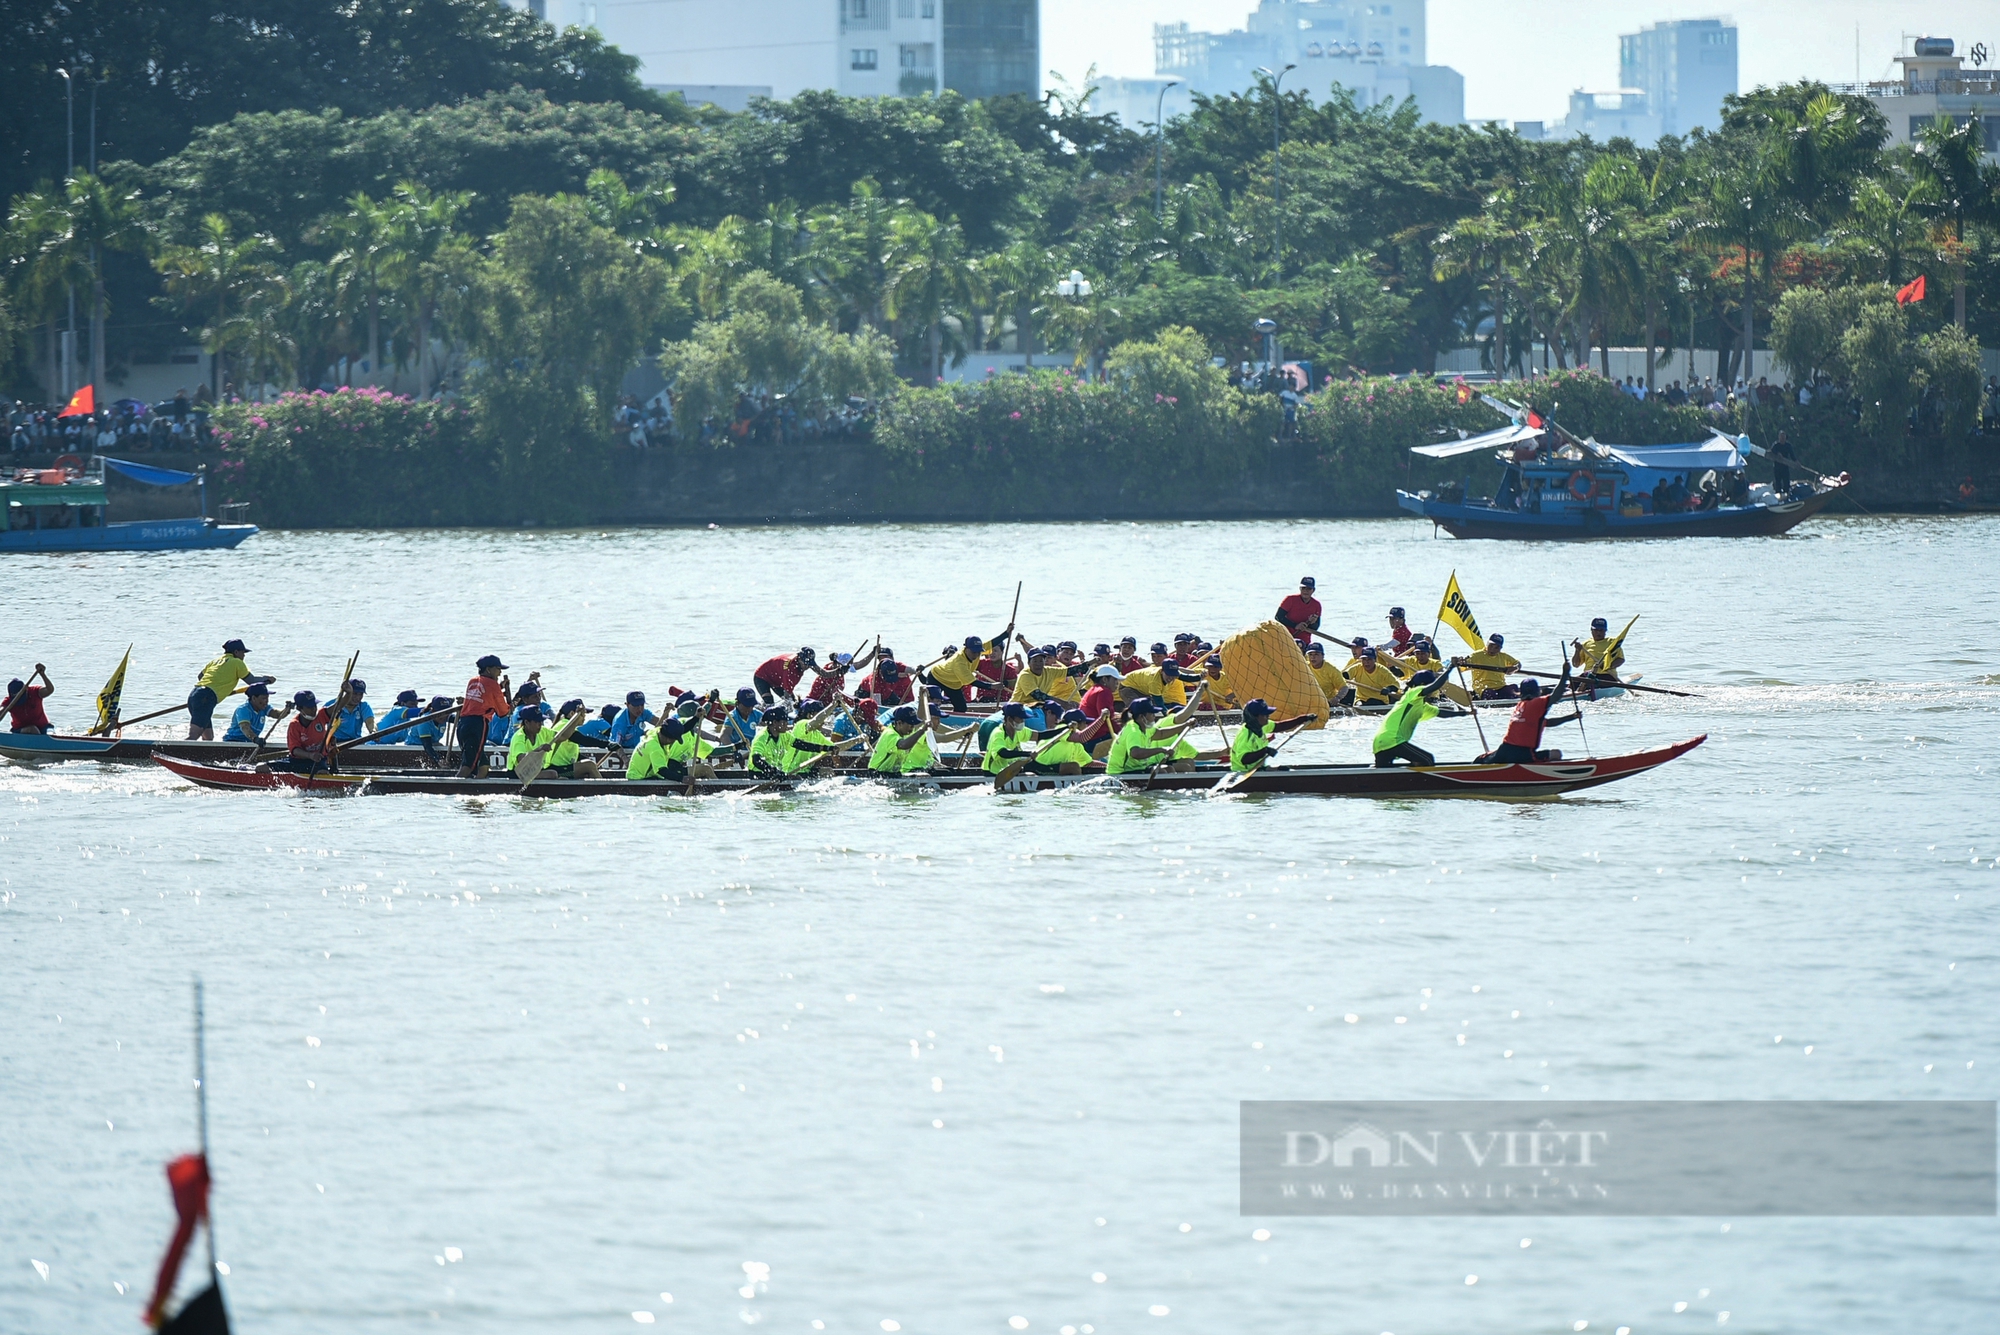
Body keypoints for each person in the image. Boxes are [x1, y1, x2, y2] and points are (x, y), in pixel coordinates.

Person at [1481, 669, 1581, 763]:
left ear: (1521, 693)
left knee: (1481, 758)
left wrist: (1572, 717)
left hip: (1504, 750)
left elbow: (1546, 723)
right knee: (1556, 754)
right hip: (1523, 754)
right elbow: (1556, 696)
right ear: (1538, 691)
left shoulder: (1520, 706)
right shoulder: (1537, 703)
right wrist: (1565, 673)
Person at [1104, 689, 1208, 775]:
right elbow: (1135, 753)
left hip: (1135, 768)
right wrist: (1161, 749)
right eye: (1151, 713)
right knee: (1161, 771)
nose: (1154, 716)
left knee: (1169, 769)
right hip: (1121, 773)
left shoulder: (1144, 727)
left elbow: (1161, 733)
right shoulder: (1133, 730)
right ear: (1142, 717)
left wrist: (1185, 725)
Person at [187, 638, 275, 741]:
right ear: (236, 652)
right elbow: (252, 681)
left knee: (208, 737)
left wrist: (221, 686)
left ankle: (201, 756)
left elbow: (200, 677)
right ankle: (175, 753)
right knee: (194, 736)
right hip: (206, 698)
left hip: (194, 694)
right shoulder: (237, 662)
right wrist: (267, 679)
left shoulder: (215, 661)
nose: (244, 655)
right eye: (243, 652)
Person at [1371, 670, 1451, 767]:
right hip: (1393, 740)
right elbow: (1436, 685)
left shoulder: (1420, 705)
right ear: (1423, 684)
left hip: (1380, 743)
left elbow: (1441, 713)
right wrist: (1451, 668)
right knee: (1427, 760)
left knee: (1386, 772)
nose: (1432, 692)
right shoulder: (1413, 693)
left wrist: (1465, 713)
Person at [457, 654, 513, 778]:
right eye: (498, 669)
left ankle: (475, 790)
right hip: (477, 725)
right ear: (488, 669)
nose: (499, 673)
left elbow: (484, 693)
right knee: (468, 766)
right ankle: (453, 788)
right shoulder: (493, 685)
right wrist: (510, 706)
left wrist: (500, 688)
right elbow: (503, 713)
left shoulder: (472, 681)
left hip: (463, 724)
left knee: (483, 766)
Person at [507, 705, 599, 780]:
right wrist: (539, 749)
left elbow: (563, 736)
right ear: (526, 722)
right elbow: (521, 759)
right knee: (552, 774)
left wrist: (576, 719)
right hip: (517, 774)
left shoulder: (543, 731)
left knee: (556, 775)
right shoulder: (519, 737)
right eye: (537, 721)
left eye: (541, 721)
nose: (540, 724)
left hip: (535, 771)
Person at [924, 634, 1006, 712]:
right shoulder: (960, 663)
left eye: (978, 652)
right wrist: (991, 686)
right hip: (936, 677)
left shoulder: (977, 649)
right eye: (974, 652)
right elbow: (973, 682)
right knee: (933, 703)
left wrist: (1007, 633)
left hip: (952, 684)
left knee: (961, 708)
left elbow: (992, 643)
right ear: (966, 649)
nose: (977, 655)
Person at [1227, 699, 1313, 773]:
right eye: (1265, 714)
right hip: (1243, 772)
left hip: (1258, 768)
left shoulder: (1262, 725)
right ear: (1255, 717)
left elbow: (1281, 726)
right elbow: (1245, 759)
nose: (1268, 716)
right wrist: (1265, 751)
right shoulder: (1245, 735)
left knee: (1284, 769)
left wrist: (1302, 719)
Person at [980, 702, 1040, 778]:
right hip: (992, 773)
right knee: (1031, 776)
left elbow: (1040, 735)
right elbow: (1003, 753)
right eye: (1020, 718)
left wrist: (1059, 732)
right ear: (1009, 719)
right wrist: (1027, 754)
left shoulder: (1019, 731)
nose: (1023, 721)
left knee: (1032, 773)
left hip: (1007, 770)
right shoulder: (998, 733)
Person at [1011, 644, 1080, 709]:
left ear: (1055, 658)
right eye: (1035, 661)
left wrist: (1089, 664)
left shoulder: (1052, 670)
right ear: (1029, 663)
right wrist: (1063, 704)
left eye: (1042, 660)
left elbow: (1071, 671)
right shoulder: (1025, 675)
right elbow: (1038, 696)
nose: (1038, 664)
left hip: (1069, 699)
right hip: (1019, 706)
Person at [752, 647, 828, 705]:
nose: (807, 667)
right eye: (805, 664)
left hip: (777, 680)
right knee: (769, 701)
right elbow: (787, 695)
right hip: (762, 676)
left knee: (793, 702)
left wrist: (837, 671)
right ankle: (757, 710)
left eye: (810, 664)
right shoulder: (790, 670)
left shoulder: (803, 663)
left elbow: (823, 673)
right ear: (799, 659)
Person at [281, 690, 333, 772]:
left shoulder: (321, 715)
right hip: (297, 761)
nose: (314, 710)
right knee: (261, 767)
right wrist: (310, 755)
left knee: (322, 772)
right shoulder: (294, 724)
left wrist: (348, 693)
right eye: (309, 707)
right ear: (299, 708)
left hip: (318, 761)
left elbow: (339, 705)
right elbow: (294, 750)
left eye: (314, 706)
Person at [1457, 634, 1521, 699]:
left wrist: (1516, 667)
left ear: (1500, 648)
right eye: (1491, 645)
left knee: (1514, 689)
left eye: (1496, 647)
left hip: (1500, 686)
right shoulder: (1476, 656)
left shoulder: (1503, 657)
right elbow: (1460, 668)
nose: (1492, 649)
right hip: (1483, 688)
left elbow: (1518, 663)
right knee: (1490, 694)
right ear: (1487, 644)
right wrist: (1461, 663)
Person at [224, 681, 288, 745]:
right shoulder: (243, 710)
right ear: (254, 698)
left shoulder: (264, 707)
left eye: (267, 698)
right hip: (233, 741)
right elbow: (245, 728)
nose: (267, 701)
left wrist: (287, 709)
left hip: (250, 742)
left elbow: (278, 715)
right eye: (264, 698)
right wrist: (255, 739)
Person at [1117, 658, 1189, 707]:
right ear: (1162, 671)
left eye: (1159, 656)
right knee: (1139, 708)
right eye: (1154, 656)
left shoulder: (1171, 669)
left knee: (1152, 706)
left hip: (1142, 690)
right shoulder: (1154, 679)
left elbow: (1188, 677)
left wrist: (1199, 676)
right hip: (1127, 687)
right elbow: (1160, 704)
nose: (1170, 678)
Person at [5, 665, 55, 734]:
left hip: (43, 727)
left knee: (51, 733)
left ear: (26, 689)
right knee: (32, 729)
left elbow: (50, 690)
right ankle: (39, 743)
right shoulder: (9, 701)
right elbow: (1, 711)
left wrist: (43, 674)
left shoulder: (35, 691)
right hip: (20, 731)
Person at [329, 679, 374, 745]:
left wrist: (373, 731)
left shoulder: (363, 706)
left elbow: (370, 722)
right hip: (335, 742)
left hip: (355, 742)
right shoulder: (333, 705)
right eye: (355, 694)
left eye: (360, 694)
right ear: (347, 692)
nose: (358, 697)